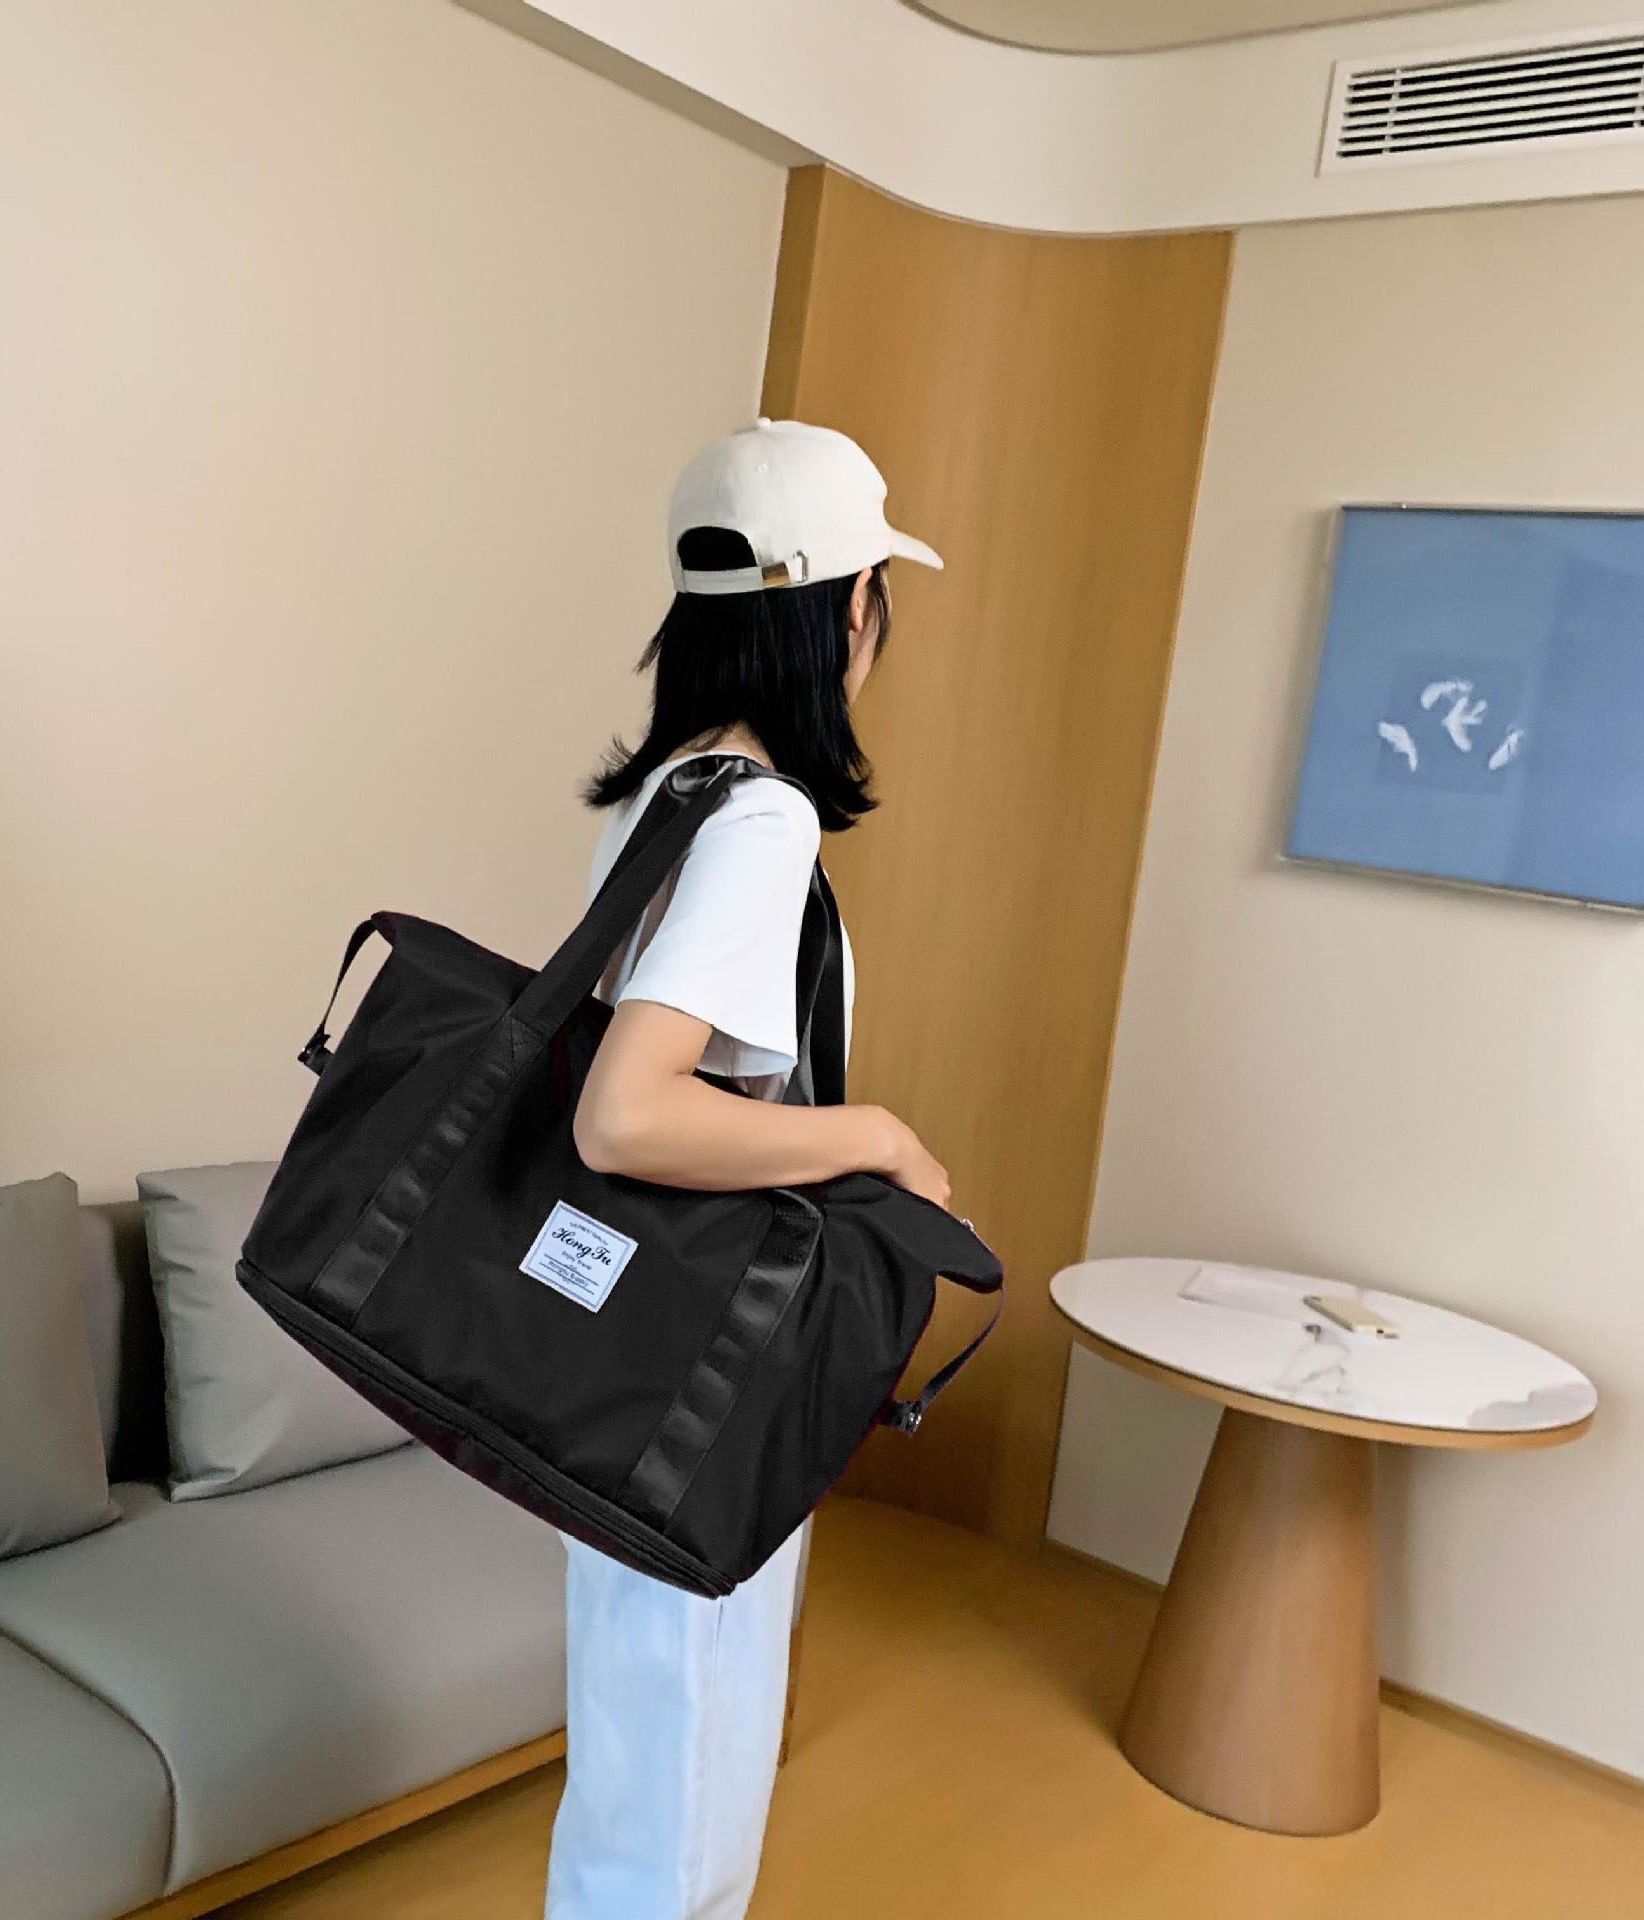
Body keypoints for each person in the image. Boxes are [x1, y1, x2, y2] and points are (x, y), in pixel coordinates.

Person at [543, 419, 952, 1920]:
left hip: (625, 1341)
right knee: (686, 1788)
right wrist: (879, 1138)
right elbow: (626, 1116)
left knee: (640, 1761)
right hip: (704, 1361)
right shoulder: (763, 818)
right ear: (847, 614)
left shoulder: (669, 791)